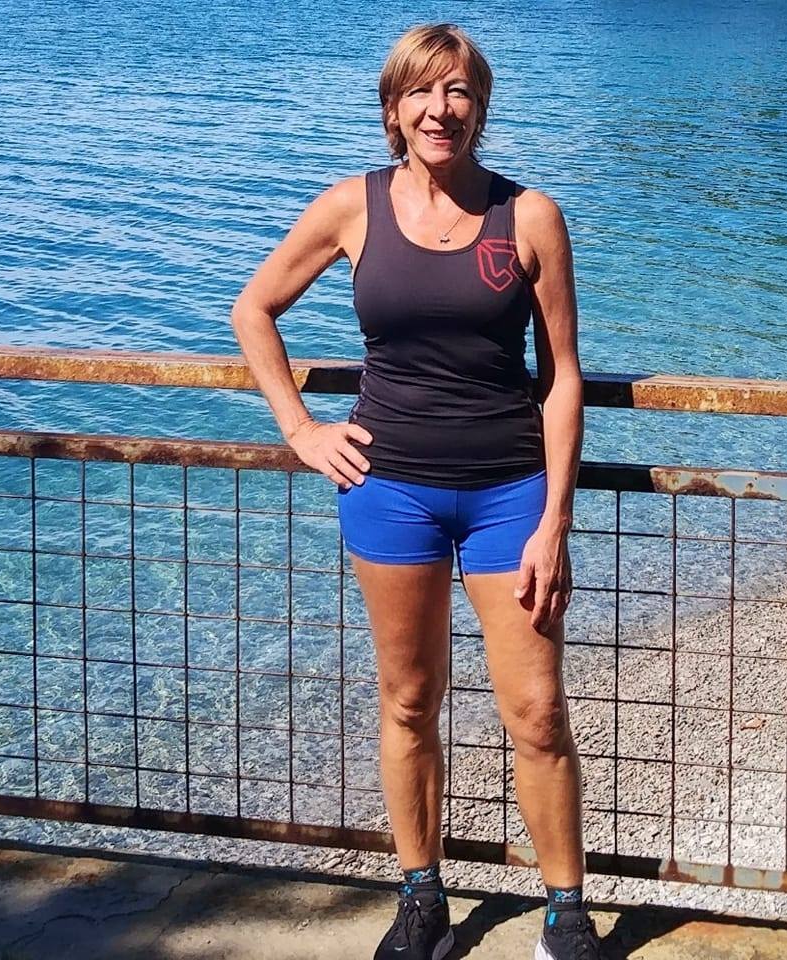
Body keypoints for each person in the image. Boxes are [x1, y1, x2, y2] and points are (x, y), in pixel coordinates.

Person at [230, 23, 596, 960]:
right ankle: (421, 895)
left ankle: (566, 912)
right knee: (407, 701)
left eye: (459, 91)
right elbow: (253, 309)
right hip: (389, 491)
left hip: (511, 494)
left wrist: (555, 519)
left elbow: (562, 378)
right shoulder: (351, 207)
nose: (441, 110)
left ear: (481, 106)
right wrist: (301, 430)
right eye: (421, 93)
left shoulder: (530, 216)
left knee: (539, 712)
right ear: (393, 109)